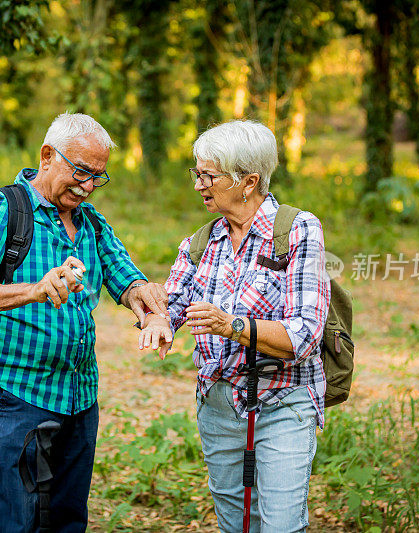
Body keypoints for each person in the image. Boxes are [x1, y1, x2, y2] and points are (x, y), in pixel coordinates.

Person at [0, 113, 168, 533]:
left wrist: (148, 305)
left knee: (67, 518)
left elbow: (127, 279)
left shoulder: (91, 222)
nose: (86, 187)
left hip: (79, 397)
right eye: (80, 172)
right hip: (15, 395)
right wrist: (33, 290)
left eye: (97, 177)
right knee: (14, 518)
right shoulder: (2, 208)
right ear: (47, 155)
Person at [138, 120, 330, 532]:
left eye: (208, 175)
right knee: (235, 524)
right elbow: (171, 304)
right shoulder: (202, 242)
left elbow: (306, 334)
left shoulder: (297, 230)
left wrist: (232, 326)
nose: (198, 184)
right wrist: (155, 318)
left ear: (248, 181)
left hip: (283, 402)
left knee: (279, 524)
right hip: (219, 406)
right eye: (197, 173)